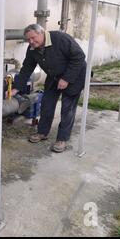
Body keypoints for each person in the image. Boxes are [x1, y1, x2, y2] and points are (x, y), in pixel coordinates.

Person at [8, 24, 87, 153]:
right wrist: (16, 88)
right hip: (54, 76)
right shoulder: (32, 49)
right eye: (28, 40)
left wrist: (66, 78)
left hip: (74, 75)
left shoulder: (61, 39)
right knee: (47, 104)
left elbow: (79, 57)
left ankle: (62, 139)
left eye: (33, 38)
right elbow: (26, 69)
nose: (31, 42)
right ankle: (42, 132)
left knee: (67, 108)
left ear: (42, 33)